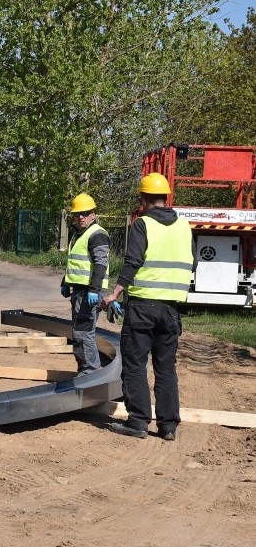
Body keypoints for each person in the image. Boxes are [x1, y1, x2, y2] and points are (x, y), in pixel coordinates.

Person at [101, 173, 195, 441]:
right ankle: (168, 427)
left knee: (135, 365)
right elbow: (192, 264)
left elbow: (132, 261)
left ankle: (138, 422)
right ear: (166, 197)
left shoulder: (143, 224)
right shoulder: (184, 226)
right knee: (166, 368)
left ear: (142, 198)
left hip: (142, 307)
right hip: (171, 310)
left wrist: (114, 293)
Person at [61, 193, 110, 374]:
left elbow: (100, 264)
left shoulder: (96, 234)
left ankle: (90, 371)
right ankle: (84, 368)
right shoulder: (79, 235)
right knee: (79, 332)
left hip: (89, 292)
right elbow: (77, 263)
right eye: (77, 214)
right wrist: (66, 281)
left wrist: (94, 290)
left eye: (85, 213)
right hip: (80, 290)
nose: (80, 217)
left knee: (84, 333)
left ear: (93, 214)